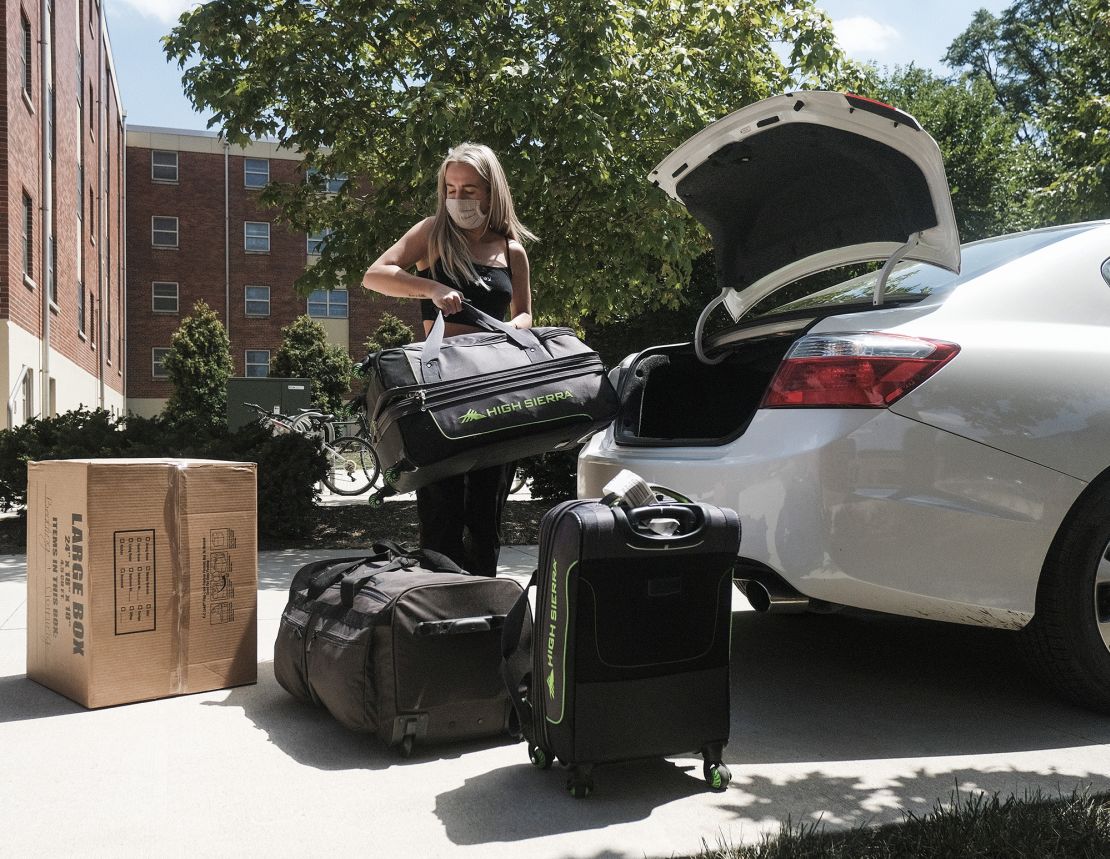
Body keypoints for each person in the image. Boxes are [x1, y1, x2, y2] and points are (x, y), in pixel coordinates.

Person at [361, 143, 536, 576]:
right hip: (440, 390)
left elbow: (525, 312)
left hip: (494, 390)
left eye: (470, 189)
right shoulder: (430, 234)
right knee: (439, 515)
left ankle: (483, 611)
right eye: (451, 188)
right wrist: (432, 290)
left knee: (485, 518)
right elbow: (375, 274)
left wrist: (519, 327)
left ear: (492, 193)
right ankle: (438, 614)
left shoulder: (511, 250)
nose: (459, 199)